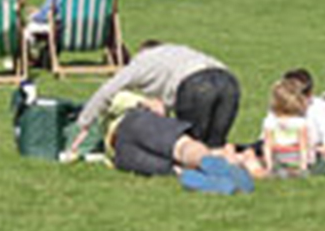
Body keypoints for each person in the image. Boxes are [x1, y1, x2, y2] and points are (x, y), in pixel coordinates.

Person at [65, 41, 241, 153]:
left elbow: (107, 90)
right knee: (216, 147)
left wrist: (84, 123)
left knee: (193, 148)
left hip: (196, 85)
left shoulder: (142, 62)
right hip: (229, 82)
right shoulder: (177, 51)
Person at [85, 90, 255, 193]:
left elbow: (112, 99)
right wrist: (149, 102)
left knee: (175, 162)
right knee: (180, 148)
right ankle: (212, 168)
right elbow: (117, 98)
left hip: (123, 149)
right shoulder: (134, 97)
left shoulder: (123, 100)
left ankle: (211, 173)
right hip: (128, 134)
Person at [260, 78, 313, 177]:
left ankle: (277, 169)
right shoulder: (300, 123)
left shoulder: (269, 122)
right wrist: (304, 166)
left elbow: (267, 145)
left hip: (277, 156)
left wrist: (269, 166)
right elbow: (303, 145)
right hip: (295, 156)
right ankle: (295, 169)